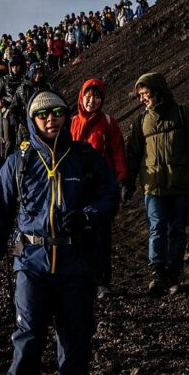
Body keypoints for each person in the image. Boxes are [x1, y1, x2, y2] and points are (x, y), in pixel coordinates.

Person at [0, 90, 118, 375]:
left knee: (75, 345)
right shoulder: (18, 163)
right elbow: (0, 216)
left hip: (76, 264)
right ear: (32, 119)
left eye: (57, 112)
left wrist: (86, 216)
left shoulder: (84, 157)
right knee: (28, 340)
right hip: (32, 263)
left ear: (66, 116)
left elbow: (109, 196)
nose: (51, 119)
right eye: (42, 114)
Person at [124, 73, 189, 295]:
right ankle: (158, 273)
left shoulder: (182, 114)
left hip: (180, 185)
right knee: (157, 227)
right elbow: (133, 153)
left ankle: (174, 273)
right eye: (140, 95)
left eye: (145, 93)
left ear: (158, 91)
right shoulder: (141, 121)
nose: (142, 99)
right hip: (153, 186)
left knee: (177, 230)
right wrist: (128, 181)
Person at [70, 79, 128, 299]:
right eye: (88, 96)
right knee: (77, 233)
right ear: (81, 96)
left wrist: (122, 179)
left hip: (101, 186)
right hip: (76, 185)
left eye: (96, 97)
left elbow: (118, 152)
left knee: (101, 235)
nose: (91, 101)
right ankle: (82, 279)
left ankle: (102, 281)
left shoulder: (109, 123)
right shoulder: (71, 122)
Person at [0, 54, 27, 158]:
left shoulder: (25, 80)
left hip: (22, 113)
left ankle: (23, 163)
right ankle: (7, 164)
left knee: (24, 141)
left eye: (17, 66)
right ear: (9, 67)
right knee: (9, 142)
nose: (15, 68)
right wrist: (0, 104)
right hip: (7, 113)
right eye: (12, 66)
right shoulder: (3, 80)